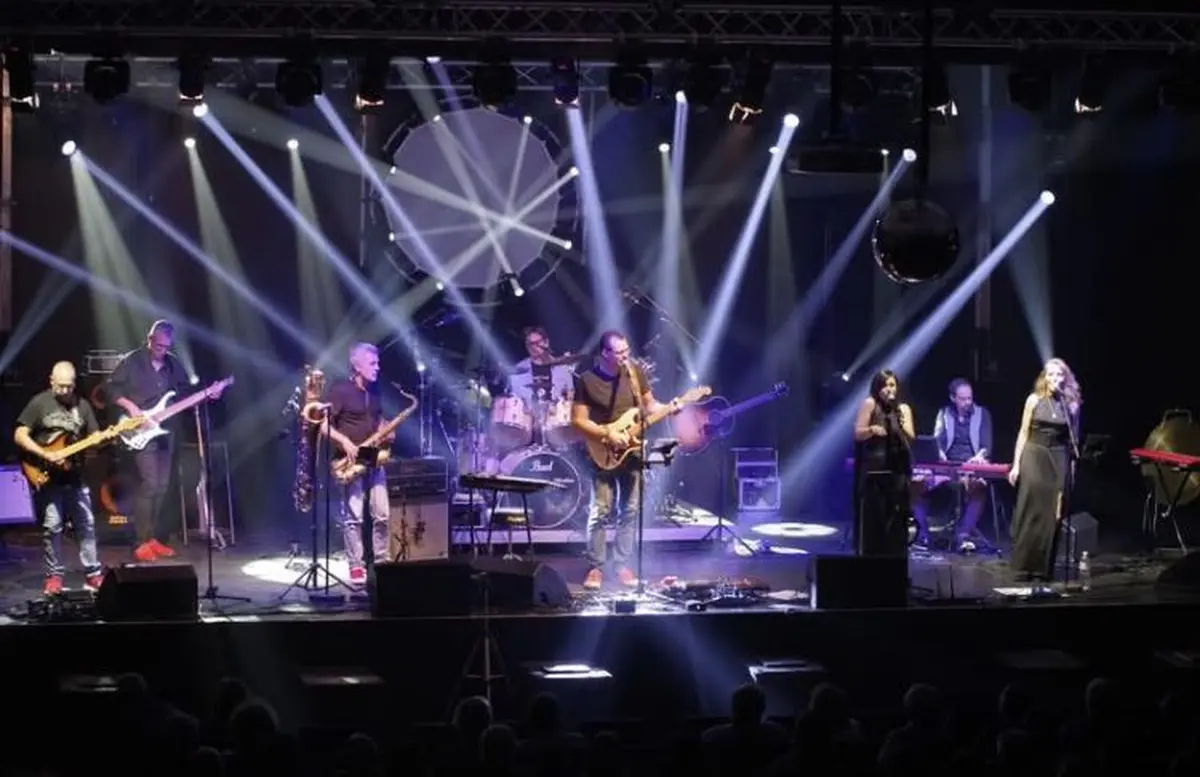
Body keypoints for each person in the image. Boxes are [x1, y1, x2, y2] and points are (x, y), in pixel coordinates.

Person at [571, 331, 681, 590]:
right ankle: (596, 567)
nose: (625, 356)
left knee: (630, 511)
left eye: (626, 350)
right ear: (605, 353)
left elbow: (650, 406)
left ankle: (622, 565)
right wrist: (607, 433)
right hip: (603, 451)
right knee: (601, 510)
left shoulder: (634, 372)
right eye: (619, 352)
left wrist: (670, 407)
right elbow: (577, 421)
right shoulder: (587, 380)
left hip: (632, 451)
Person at [14, 362, 105, 594]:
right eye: (60, 386)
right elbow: (20, 434)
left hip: (74, 475)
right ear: (51, 381)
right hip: (47, 475)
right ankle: (54, 576)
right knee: (52, 525)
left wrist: (99, 439)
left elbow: (94, 435)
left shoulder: (82, 406)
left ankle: (93, 574)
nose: (65, 391)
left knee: (86, 524)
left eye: (69, 386)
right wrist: (45, 454)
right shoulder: (39, 403)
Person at [108, 320, 195, 561]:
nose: (162, 351)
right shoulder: (132, 361)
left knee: (162, 486)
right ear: (149, 339)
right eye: (158, 346)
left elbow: (185, 393)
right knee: (150, 484)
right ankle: (141, 541)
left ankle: (153, 538)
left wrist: (207, 395)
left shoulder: (173, 364)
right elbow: (111, 390)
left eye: (166, 347)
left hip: (166, 431)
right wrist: (131, 407)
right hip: (140, 431)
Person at [1008, 358, 1081, 587]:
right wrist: (1016, 465)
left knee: (1052, 513)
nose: (1055, 379)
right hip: (1034, 453)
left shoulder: (1071, 405)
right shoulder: (1034, 400)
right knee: (1031, 509)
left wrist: (1072, 471)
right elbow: (1023, 432)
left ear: (1065, 378)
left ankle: (1042, 568)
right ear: (1044, 377)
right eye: (1051, 374)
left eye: (1059, 375)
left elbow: (1074, 440)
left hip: (1058, 456)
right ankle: (1023, 566)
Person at [323, 342, 391, 586]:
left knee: (382, 514)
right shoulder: (340, 390)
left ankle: (382, 561)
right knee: (354, 516)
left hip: (372, 456)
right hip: (349, 460)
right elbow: (323, 426)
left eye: (378, 363)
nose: (377, 367)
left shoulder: (375, 393)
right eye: (372, 363)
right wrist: (345, 442)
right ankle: (356, 566)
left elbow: (377, 421)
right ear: (357, 365)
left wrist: (386, 430)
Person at [913, 377, 995, 552]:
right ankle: (923, 534)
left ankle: (963, 534)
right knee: (917, 484)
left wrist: (978, 457)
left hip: (971, 464)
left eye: (969, 398)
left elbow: (986, 446)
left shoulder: (982, 414)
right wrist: (940, 454)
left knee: (978, 486)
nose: (967, 402)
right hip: (947, 465)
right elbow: (937, 442)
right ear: (953, 398)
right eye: (963, 399)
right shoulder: (944, 414)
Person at [852, 369, 916, 557]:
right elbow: (858, 433)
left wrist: (900, 420)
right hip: (875, 473)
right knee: (875, 523)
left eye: (892, 385)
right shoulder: (870, 404)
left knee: (896, 523)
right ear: (877, 388)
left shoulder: (903, 409)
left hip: (898, 471)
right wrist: (871, 429)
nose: (889, 389)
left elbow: (911, 436)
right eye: (884, 385)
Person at [507, 326, 575, 406]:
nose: (533, 347)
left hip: (556, 412)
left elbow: (570, 394)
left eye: (537, 343)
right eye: (530, 344)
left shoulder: (562, 369)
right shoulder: (518, 370)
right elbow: (513, 400)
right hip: (528, 412)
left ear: (546, 343)